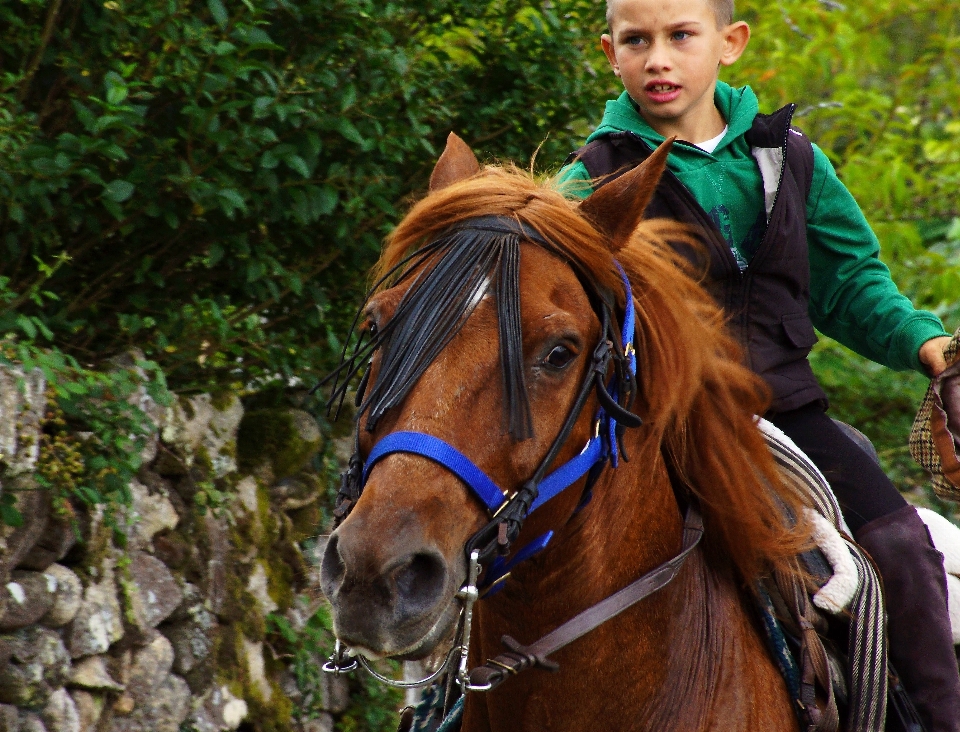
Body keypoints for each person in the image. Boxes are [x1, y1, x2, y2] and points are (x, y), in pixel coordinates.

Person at [555, 0, 959, 729]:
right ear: (609, 52)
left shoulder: (792, 157)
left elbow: (852, 284)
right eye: (636, 40)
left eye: (681, 37)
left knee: (902, 545)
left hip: (789, 414)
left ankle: (933, 717)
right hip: (660, 423)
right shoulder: (587, 182)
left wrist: (927, 344)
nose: (658, 59)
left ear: (730, 43)